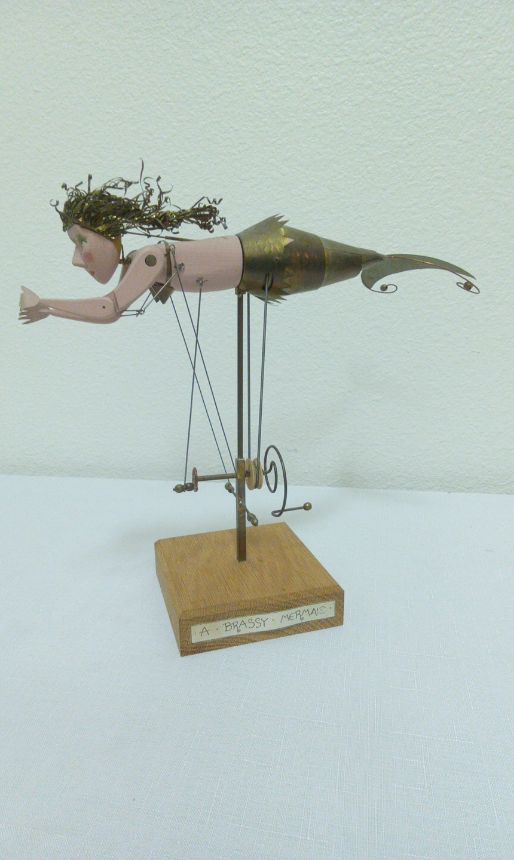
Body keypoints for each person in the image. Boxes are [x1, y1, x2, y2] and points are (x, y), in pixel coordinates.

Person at [19, 172, 478, 325]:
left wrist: (48, 306)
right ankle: (377, 263)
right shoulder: (146, 260)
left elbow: (109, 308)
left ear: (106, 232)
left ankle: (378, 262)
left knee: (365, 260)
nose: (78, 257)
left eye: (81, 242)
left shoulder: (151, 257)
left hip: (271, 256)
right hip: (260, 261)